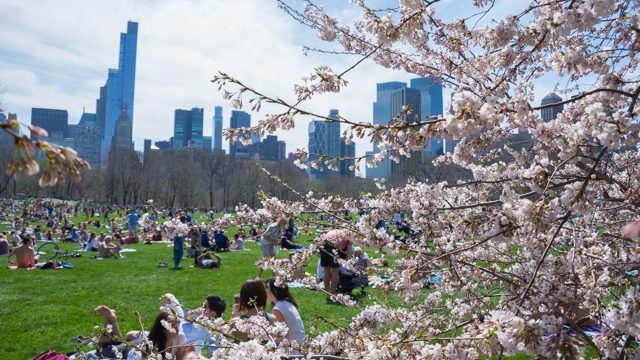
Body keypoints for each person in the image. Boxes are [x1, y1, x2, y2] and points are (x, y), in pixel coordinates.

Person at [265, 278, 305, 354]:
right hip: (299, 346)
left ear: (275, 291)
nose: (265, 290)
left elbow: (279, 335)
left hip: (292, 351)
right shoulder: (287, 303)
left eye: (268, 288)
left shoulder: (277, 308)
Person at [319, 230, 353, 302]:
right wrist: (347, 262)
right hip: (334, 245)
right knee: (335, 272)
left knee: (326, 271)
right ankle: (332, 294)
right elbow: (349, 254)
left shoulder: (337, 231)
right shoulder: (349, 236)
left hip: (323, 243)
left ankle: (328, 295)